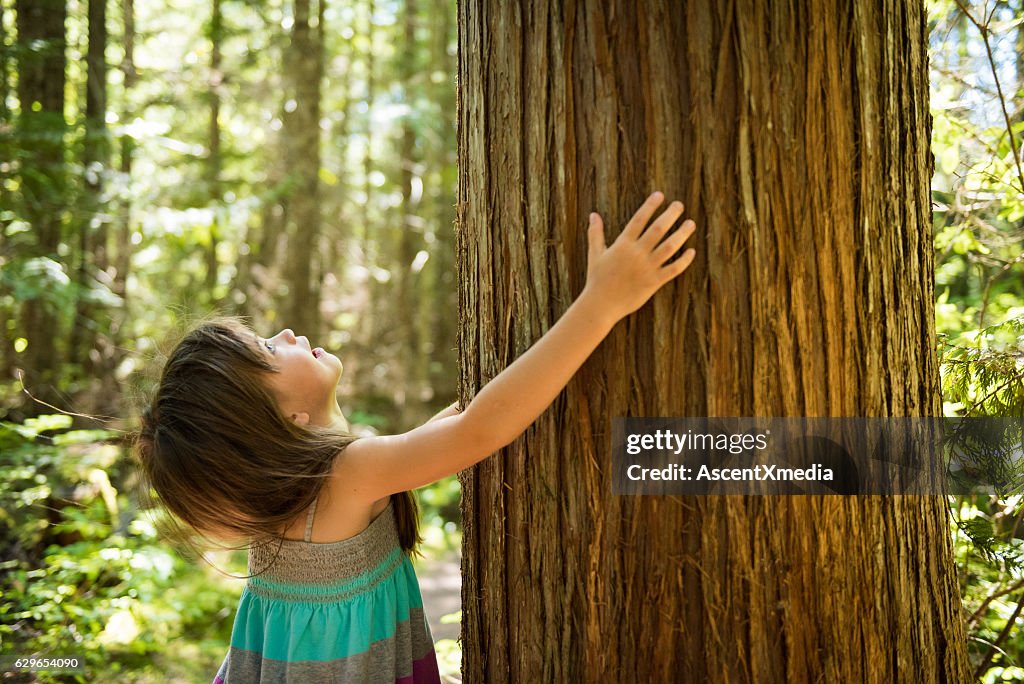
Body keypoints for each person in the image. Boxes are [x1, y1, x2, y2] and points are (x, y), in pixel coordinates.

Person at [134, 191, 697, 683]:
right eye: (266, 351)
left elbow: (456, 430)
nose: (283, 333)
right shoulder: (350, 473)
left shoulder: (284, 501)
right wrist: (601, 303)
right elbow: (481, 431)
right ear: (282, 422)